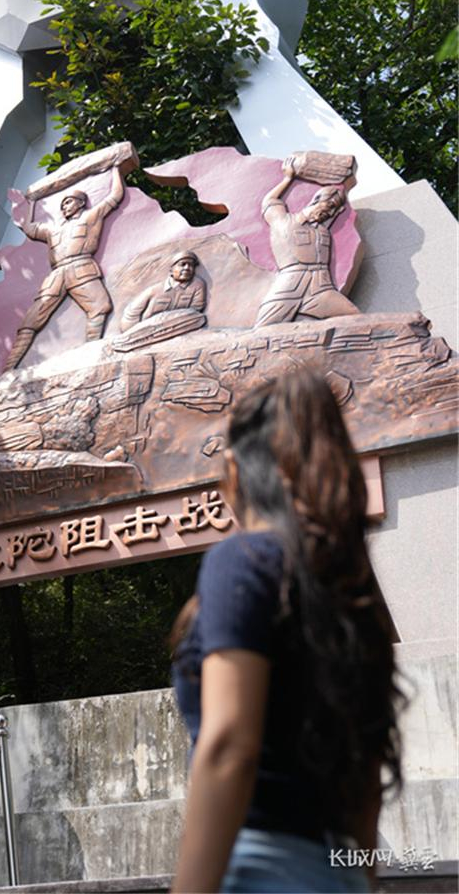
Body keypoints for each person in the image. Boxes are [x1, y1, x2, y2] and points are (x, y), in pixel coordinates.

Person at [171, 368, 404, 893]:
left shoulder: (242, 560)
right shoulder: (350, 590)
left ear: (233, 472)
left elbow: (230, 745)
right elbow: (366, 776)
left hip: (257, 870)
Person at [4, 164, 126, 370]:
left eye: (68, 202)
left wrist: (116, 168)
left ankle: (91, 354)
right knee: (31, 320)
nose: (64, 207)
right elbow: (29, 228)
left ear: (81, 203)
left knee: (100, 306)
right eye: (62, 204)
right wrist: (32, 202)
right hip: (57, 274)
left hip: (81, 267)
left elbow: (115, 196)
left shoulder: (90, 217)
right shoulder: (53, 229)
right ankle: (9, 367)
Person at [254, 158, 360, 327]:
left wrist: (339, 198)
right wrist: (288, 179)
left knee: (355, 317)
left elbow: (332, 213)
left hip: (321, 286)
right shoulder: (284, 221)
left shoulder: (322, 231)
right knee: (264, 328)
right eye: (328, 206)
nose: (329, 212)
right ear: (316, 201)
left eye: (333, 209)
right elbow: (269, 202)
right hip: (291, 284)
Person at [120, 250, 206, 332]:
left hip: (181, 328)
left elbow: (196, 310)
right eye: (182, 264)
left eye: (191, 265)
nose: (187, 268)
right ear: (171, 269)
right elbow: (131, 314)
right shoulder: (154, 290)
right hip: (149, 331)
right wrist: (132, 333)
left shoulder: (197, 285)